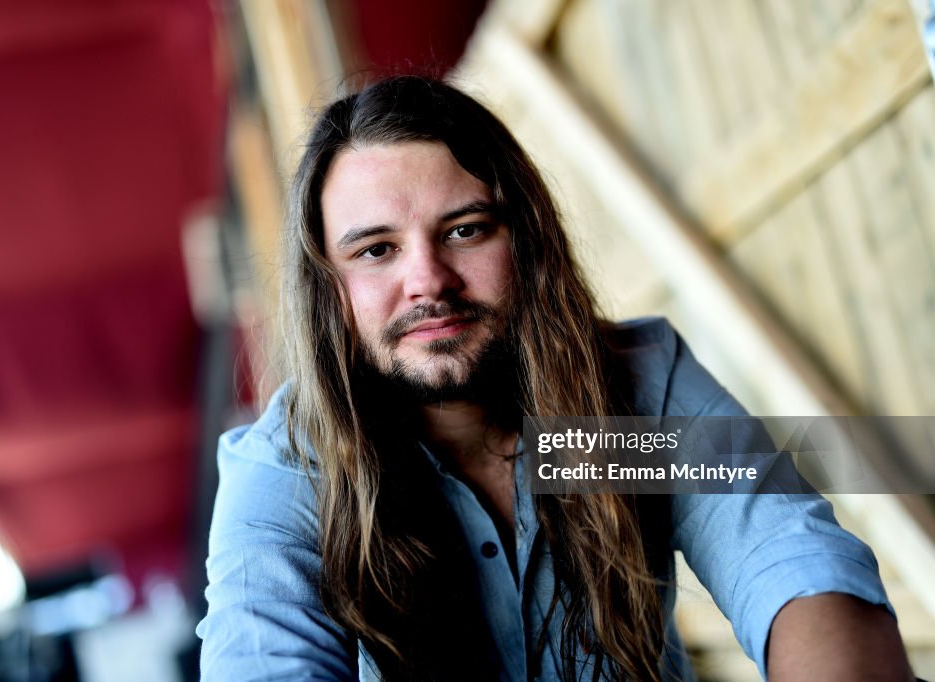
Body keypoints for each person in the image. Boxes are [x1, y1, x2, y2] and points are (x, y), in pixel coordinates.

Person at [196, 76, 913, 681]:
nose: (427, 282)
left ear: (526, 241)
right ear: (330, 289)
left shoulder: (629, 400)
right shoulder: (292, 473)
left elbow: (791, 565)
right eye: (376, 250)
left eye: (465, 230)